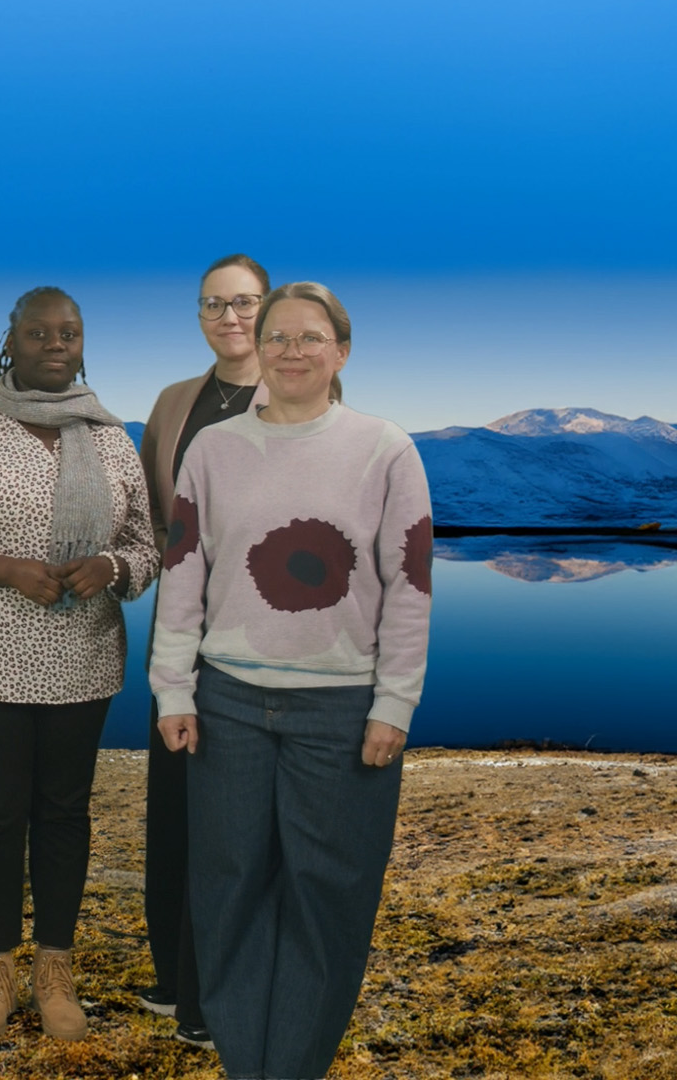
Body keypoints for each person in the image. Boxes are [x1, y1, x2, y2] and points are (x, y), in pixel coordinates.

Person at [152, 282, 432, 1079]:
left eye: (312, 337)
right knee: (229, 889)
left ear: (341, 351)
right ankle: (246, 1060)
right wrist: (173, 686)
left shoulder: (385, 450)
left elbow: (409, 585)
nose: (292, 351)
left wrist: (394, 704)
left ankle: (295, 1065)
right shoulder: (213, 450)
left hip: (342, 711)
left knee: (327, 897)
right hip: (229, 701)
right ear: (258, 348)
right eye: (277, 337)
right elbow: (182, 575)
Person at [0, 287, 159, 1040]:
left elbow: (147, 546)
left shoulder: (111, 439)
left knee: (62, 812)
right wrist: (5, 568)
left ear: (82, 346)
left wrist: (112, 567)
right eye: (39, 332)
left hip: (82, 657)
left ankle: (55, 965)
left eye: (68, 332)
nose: (55, 342)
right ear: (9, 345)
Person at [134, 253, 272, 1046]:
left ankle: (218, 982)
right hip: (181, 629)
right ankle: (171, 971)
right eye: (214, 304)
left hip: (257, 629)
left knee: (237, 807)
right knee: (175, 802)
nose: (230, 317)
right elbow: (158, 522)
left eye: (245, 302)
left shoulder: (294, 390)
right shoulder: (174, 402)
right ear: (199, 315)